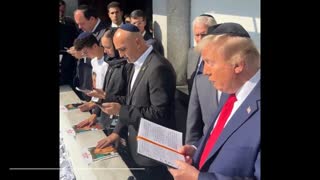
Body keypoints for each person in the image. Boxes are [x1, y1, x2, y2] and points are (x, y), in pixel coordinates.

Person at [168, 23, 260, 180]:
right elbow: (217, 137)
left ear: (238, 65)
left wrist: (198, 178)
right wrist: (196, 150)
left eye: (210, 62)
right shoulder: (229, 93)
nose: (205, 71)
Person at [97, 24, 176, 180]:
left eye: (123, 49)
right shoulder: (134, 64)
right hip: (136, 146)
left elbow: (160, 113)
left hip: (152, 154)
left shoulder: (158, 68)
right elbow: (131, 100)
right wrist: (116, 131)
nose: (120, 54)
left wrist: (121, 111)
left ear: (138, 42)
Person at [76, 28, 131, 133]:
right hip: (107, 116)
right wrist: (96, 113)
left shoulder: (126, 66)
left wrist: (117, 132)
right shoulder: (111, 63)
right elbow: (105, 92)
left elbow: (126, 98)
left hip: (120, 119)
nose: (105, 51)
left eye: (108, 47)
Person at [68, 5, 108, 101]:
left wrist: (82, 55)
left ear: (92, 19)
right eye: (78, 24)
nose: (79, 27)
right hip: (84, 81)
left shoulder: (106, 33)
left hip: (98, 86)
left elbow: (106, 58)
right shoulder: (86, 30)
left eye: (82, 23)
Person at [72, 32, 109, 111]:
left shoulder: (107, 64)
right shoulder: (93, 61)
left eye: (85, 52)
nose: (85, 55)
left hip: (104, 106)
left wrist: (94, 105)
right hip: (95, 104)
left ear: (95, 46)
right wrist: (91, 102)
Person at [187, 14, 217, 94]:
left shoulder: (221, 57)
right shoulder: (192, 53)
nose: (200, 39)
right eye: (197, 35)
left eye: (204, 35)